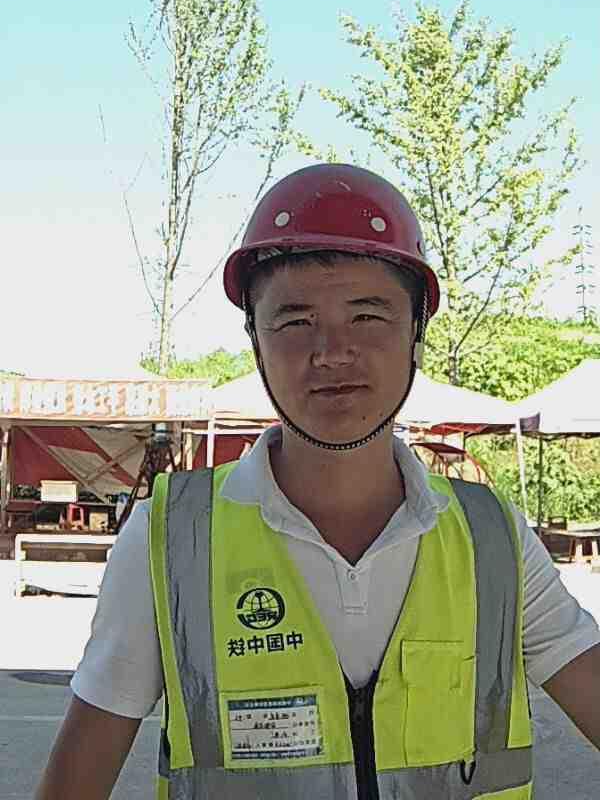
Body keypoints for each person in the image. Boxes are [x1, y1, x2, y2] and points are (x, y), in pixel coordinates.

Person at [35, 164, 600, 800]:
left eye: (368, 317)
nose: (331, 351)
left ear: (417, 332)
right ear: (256, 341)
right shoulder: (171, 540)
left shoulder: (493, 539)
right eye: (295, 321)